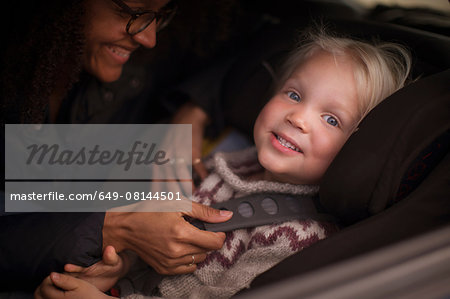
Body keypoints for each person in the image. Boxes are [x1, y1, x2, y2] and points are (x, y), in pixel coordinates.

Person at [34, 28, 412, 298]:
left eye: (332, 120)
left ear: (357, 153)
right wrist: (122, 268)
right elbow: (159, 246)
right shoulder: (221, 167)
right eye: (293, 94)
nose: (298, 117)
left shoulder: (300, 239)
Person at [1, 0, 240, 291]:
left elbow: (279, 36)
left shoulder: (146, 56)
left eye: (161, 15)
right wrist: (112, 227)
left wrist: (194, 108)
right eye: (130, 13)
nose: (149, 38)